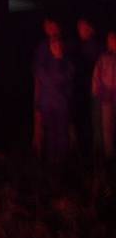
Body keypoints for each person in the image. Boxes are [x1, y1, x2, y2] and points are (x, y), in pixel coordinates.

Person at [34, 38, 74, 165]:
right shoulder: (44, 65)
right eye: (53, 45)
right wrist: (39, 105)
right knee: (50, 134)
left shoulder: (68, 63)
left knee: (62, 134)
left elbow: (62, 79)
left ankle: (63, 163)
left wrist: (57, 64)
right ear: (50, 48)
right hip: (47, 104)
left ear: (62, 46)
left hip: (61, 105)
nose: (56, 48)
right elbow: (43, 79)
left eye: (58, 45)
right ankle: (52, 163)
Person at [73, 18, 102, 157]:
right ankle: (86, 150)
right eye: (78, 27)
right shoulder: (80, 45)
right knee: (84, 120)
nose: (80, 29)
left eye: (83, 27)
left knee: (91, 121)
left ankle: (93, 152)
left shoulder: (94, 46)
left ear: (91, 29)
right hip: (83, 90)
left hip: (91, 90)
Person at [92, 31, 116, 160]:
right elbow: (96, 77)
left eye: (114, 39)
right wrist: (96, 92)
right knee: (107, 127)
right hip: (106, 98)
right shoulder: (103, 58)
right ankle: (109, 155)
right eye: (110, 39)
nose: (112, 42)